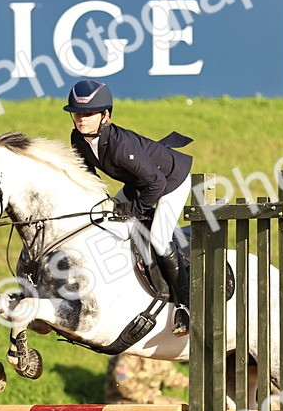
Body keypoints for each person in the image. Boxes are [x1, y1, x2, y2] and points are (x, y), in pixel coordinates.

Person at [64, 79, 194, 336]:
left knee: (159, 239)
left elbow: (156, 184)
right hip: (140, 183)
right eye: (77, 113)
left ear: (105, 116)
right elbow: (88, 177)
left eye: (88, 114)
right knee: (105, 220)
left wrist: (133, 209)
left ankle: (185, 306)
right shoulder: (77, 138)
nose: (81, 119)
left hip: (171, 181)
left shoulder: (121, 147)